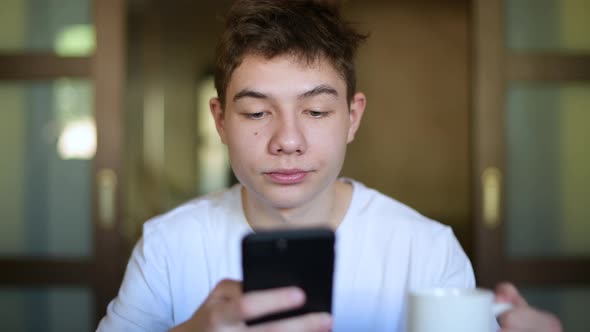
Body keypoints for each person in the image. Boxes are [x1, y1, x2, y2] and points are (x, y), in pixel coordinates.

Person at [97, 1, 563, 331]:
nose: (288, 141)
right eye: (258, 113)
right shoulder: (167, 246)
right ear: (220, 120)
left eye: (316, 112)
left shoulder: (426, 251)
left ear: (352, 117)